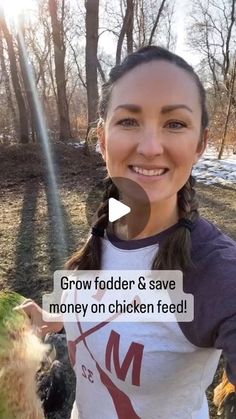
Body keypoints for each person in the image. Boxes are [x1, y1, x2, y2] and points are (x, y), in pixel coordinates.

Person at [18, 46, 236, 419]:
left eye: (175, 124)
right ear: (102, 138)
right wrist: (50, 316)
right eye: (129, 121)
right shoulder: (109, 224)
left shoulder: (217, 271)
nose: (150, 147)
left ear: (200, 143)